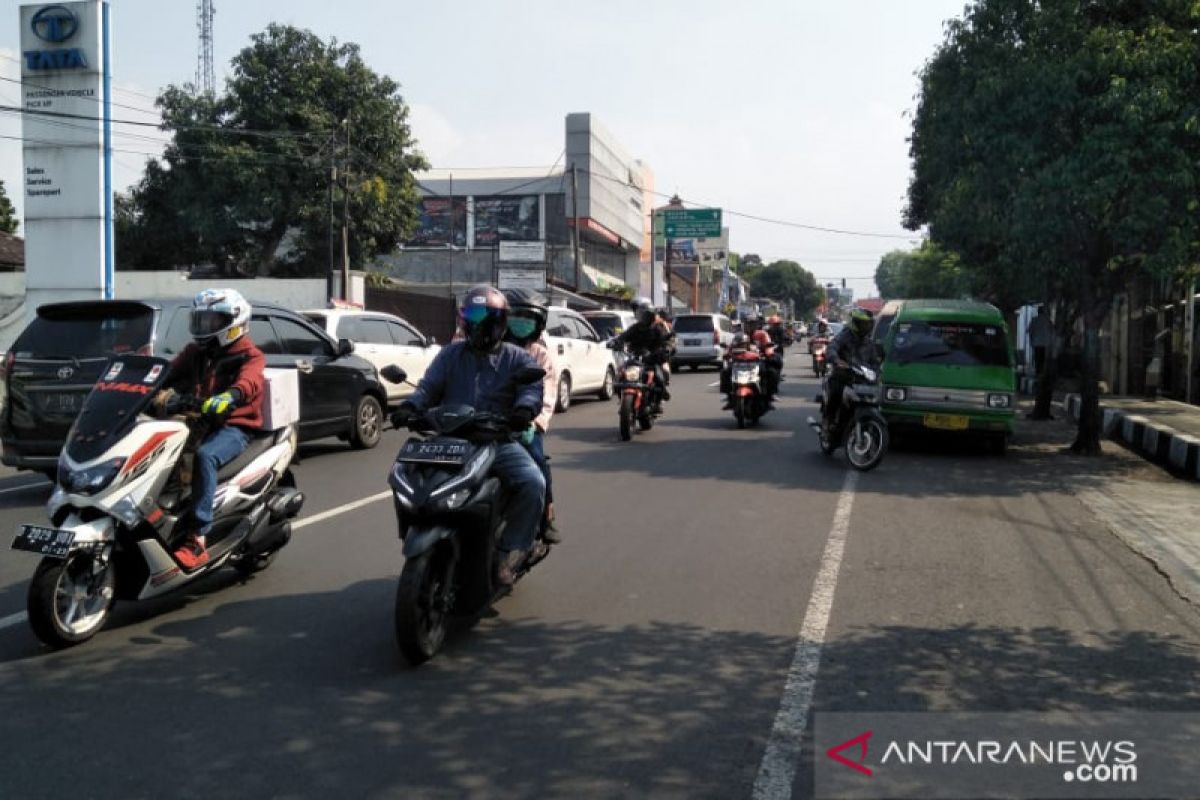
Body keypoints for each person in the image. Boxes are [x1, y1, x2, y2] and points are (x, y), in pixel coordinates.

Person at [391, 285, 546, 586]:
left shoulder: (517, 358)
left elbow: (531, 389)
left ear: (501, 320)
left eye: (485, 315)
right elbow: (427, 387)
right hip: (448, 440)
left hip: (496, 441)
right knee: (406, 477)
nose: (478, 322)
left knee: (533, 482)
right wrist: (409, 407)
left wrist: (523, 411)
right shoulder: (450, 355)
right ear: (463, 318)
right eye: (472, 314)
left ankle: (509, 551)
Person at [162, 289, 266, 569]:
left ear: (233, 321)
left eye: (212, 322)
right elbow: (169, 372)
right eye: (201, 321)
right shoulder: (196, 351)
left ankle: (197, 539)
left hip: (235, 427)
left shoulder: (250, 355)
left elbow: (250, 382)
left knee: (204, 457)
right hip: (199, 421)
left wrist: (230, 396)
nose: (204, 328)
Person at [501, 288, 562, 545]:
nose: (521, 322)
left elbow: (546, 394)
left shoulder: (540, 355)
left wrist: (532, 422)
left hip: (524, 423)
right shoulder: (489, 348)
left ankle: (546, 517)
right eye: (516, 316)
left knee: (538, 462)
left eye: (528, 318)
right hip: (484, 421)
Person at [608, 297, 673, 408]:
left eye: (643, 313)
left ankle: (659, 397)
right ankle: (622, 397)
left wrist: (665, 349)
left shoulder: (657, 328)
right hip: (636, 357)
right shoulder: (635, 328)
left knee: (660, 376)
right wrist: (615, 342)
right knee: (620, 376)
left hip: (652, 358)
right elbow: (623, 336)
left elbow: (666, 341)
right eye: (638, 313)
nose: (640, 316)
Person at [822, 307, 877, 431]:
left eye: (868, 324)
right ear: (856, 323)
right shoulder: (845, 335)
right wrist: (836, 359)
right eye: (863, 324)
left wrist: (878, 371)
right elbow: (832, 346)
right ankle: (829, 420)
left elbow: (875, 362)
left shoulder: (869, 343)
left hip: (861, 378)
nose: (866, 327)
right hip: (843, 375)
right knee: (837, 391)